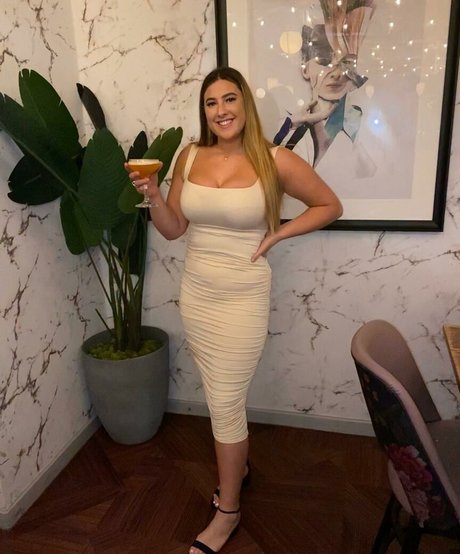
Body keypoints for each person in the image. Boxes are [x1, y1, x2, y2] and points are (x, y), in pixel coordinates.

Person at [127, 66, 342, 554]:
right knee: (221, 398)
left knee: (224, 404)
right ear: (204, 112)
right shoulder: (188, 156)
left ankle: (228, 512)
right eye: (211, 103)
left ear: (244, 104)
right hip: (197, 295)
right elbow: (174, 229)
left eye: (229, 99)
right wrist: (154, 195)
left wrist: (278, 233)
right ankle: (237, 468)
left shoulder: (275, 159)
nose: (220, 110)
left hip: (244, 297)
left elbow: (329, 205)